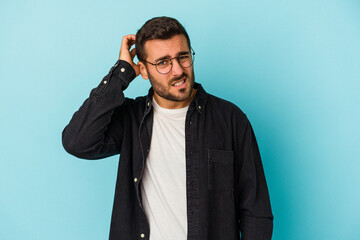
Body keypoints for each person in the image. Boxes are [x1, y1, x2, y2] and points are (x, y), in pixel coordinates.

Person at [62, 16, 273, 240]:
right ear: (143, 70)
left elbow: (256, 211)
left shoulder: (231, 119)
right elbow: (77, 141)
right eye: (163, 62)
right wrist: (121, 73)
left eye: (183, 57)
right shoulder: (131, 120)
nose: (177, 71)